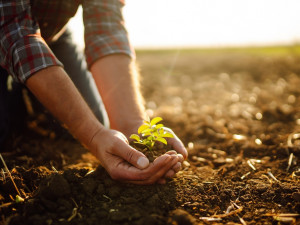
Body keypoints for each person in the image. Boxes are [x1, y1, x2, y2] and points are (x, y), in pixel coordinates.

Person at [0, 0, 188, 185]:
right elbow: (15, 33)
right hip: (9, 30)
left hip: (50, 36)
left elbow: (106, 31)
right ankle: (18, 92)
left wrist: (131, 123)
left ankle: (24, 88)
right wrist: (93, 135)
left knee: (96, 119)